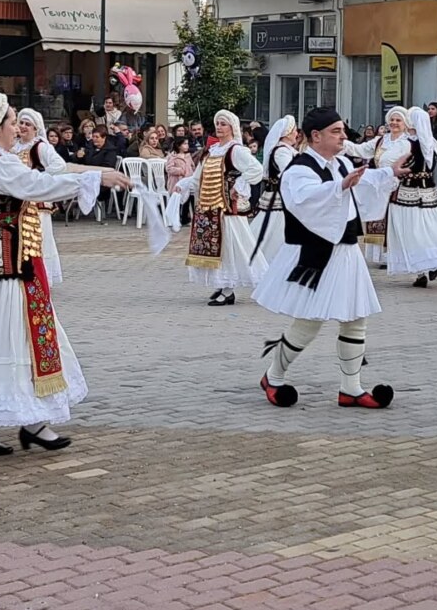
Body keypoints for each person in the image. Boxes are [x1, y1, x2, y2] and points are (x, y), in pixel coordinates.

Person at [0, 94, 130, 455]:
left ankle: (19, 424)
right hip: (2, 268)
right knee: (4, 338)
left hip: (4, 264)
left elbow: (46, 175)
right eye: (11, 122)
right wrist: (95, 178)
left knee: (8, 338)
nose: (16, 128)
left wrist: (95, 174)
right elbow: (37, 186)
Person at [252, 108, 407, 410]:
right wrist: (340, 186)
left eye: (342, 130)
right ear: (315, 136)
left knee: (355, 318)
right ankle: (273, 376)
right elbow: (304, 199)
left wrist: (390, 173)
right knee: (309, 322)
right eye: (336, 131)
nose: (343, 136)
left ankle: (351, 388)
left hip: (346, 251)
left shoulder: (342, 163)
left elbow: (363, 181)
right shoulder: (298, 169)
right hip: (314, 254)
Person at [173, 110, 266, 306]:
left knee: (230, 247)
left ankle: (228, 289)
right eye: (217, 123)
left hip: (227, 209)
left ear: (232, 127)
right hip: (209, 207)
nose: (219, 127)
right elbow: (199, 177)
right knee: (217, 249)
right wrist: (184, 185)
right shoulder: (212, 150)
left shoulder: (236, 150)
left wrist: (238, 186)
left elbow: (256, 169)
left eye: (223, 124)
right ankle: (222, 285)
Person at [382, 108, 437, 288]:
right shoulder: (431, 142)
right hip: (428, 190)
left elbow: (387, 161)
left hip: (407, 190)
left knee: (411, 230)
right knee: (432, 227)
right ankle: (430, 262)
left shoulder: (407, 143)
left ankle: (422, 269)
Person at [344, 107, 410, 267]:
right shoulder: (381, 140)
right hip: (380, 183)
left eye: (398, 120)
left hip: (399, 185)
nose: (394, 123)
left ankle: (395, 254)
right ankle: (381, 256)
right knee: (379, 217)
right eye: (392, 120)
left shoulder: (408, 142)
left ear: (405, 123)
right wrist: (341, 142)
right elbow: (360, 150)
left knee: (395, 221)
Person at [15, 109, 71, 285]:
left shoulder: (40, 147)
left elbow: (59, 165)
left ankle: (42, 278)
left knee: (40, 238)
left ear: (35, 128)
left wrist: (39, 177)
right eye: (21, 123)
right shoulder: (14, 146)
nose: (23, 126)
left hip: (36, 202)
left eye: (27, 124)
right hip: (18, 201)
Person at [250, 115, 299, 265]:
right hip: (278, 198)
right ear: (287, 133)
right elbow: (289, 172)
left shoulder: (287, 150)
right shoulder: (281, 151)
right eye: (294, 130)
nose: (296, 133)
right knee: (275, 231)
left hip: (283, 197)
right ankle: (270, 262)